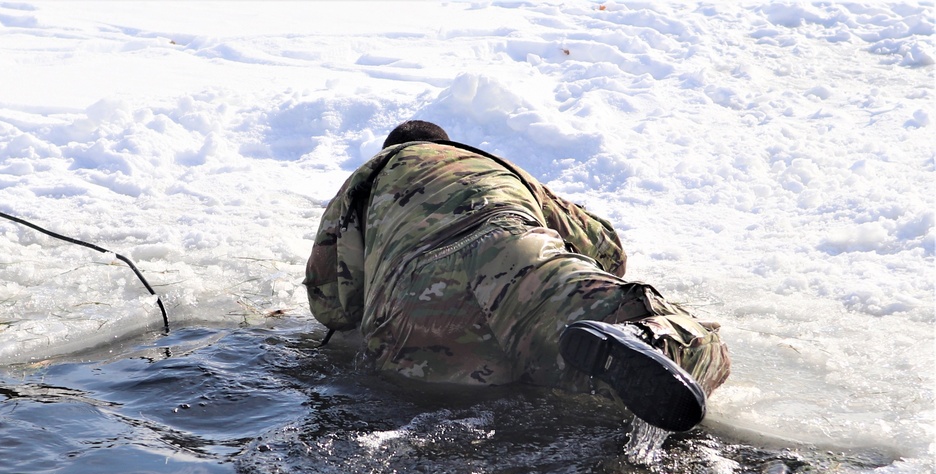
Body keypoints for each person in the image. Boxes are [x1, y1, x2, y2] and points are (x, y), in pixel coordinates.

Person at [304, 120, 730, 431]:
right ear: (448, 144)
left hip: (409, 304)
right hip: (512, 256)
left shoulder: (365, 179)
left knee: (466, 416)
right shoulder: (492, 164)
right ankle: (641, 339)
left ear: (386, 149)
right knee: (695, 342)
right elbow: (607, 250)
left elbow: (330, 302)